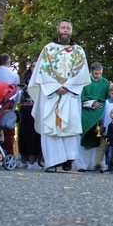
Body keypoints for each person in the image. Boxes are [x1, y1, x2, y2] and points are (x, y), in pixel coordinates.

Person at [28, 18, 91, 172]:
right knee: (51, 126)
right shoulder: (48, 49)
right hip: (51, 94)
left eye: (68, 28)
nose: (65, 30)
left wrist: (67, 86)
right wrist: (55, 87)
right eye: (62, 27)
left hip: (70, 94)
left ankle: (68, 159)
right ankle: (53, 161)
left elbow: (81, 72)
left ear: (71, 31)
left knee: (70, 125)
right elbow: (42, 71)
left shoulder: (79, 51)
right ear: (58, 29)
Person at [75, 62, 110, 172]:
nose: (98, 76)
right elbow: (80, 97)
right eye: (96, 73)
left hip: (100, 112)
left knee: (98, 139)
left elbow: (107, 99)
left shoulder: (105, 83)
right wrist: (92, 102)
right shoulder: (85, 81)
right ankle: (82, 165)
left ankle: (96, 164)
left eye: (100, 73)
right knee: (85, 137)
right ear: (91, 71)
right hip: (86, 111)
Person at [0, 53, 20, 156]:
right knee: (8, 130)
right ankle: (9, 153)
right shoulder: (13, 75)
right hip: (7, 104)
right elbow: (17, 92)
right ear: (8, 63)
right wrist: (15, 105)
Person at [17, 60, 42, 170]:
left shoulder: (41, 79)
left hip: (36, 108)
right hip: (25, 107)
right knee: (23, 133)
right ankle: (23, 158)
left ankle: (32, 160)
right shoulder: (27, 79)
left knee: (34, 134)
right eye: (33, 66)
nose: (34, 68)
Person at [95, 83, 113, 173]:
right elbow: (102, 115)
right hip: (105, 128)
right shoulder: (106, 102)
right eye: (112, 93)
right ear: (109, 93)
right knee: (102, 147)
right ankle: (98, 164)